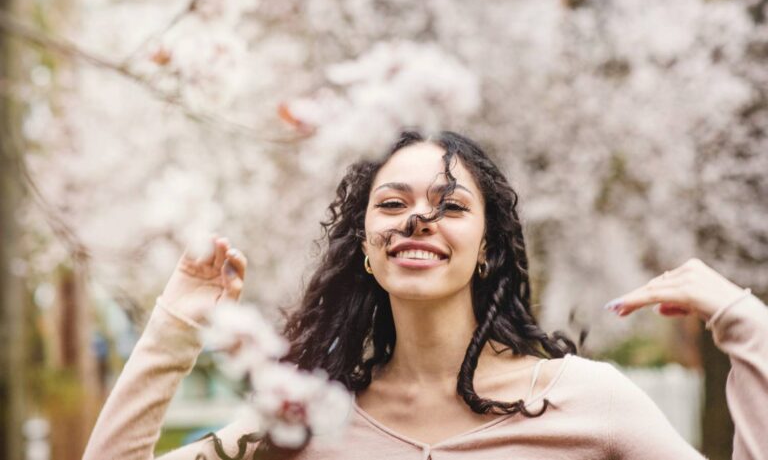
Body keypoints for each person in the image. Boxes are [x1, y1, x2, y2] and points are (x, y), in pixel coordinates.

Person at [83, 129, 767, 460]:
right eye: (392, 202)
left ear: (487, 248)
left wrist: (746, 325)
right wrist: (178, 320)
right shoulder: (305, 420)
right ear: (367, 250)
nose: (418, 218)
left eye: (449, 204)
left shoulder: (589, 402)